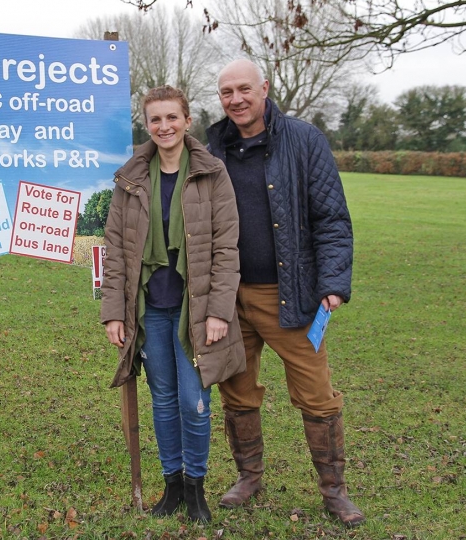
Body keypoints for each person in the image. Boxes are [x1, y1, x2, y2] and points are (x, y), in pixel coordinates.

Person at [205, 59, 365, 527]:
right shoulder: (211, 146)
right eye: (226, 92)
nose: (235, 99)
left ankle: (334, 491)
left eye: (243, 89)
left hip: (291, 294)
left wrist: (333, 283)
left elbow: (332, 218)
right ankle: (249, 476)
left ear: (265, 89)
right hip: (227, 298)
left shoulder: (303, 139)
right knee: (237, 390)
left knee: (317, 396)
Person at [101, 85, 245, 522]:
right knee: (162, 399)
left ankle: (197, 488)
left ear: (186, 121)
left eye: (172, 118)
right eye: (155, 120)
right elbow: (115, 249)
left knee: (193, 400)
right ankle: (172, 486)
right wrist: (112, 312)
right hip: (149, 309)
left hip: (195, 308)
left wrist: (219, 310)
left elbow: (226, 248)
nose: (164, 127)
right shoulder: (131, 178)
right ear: (147, 125)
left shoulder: (211, 173)